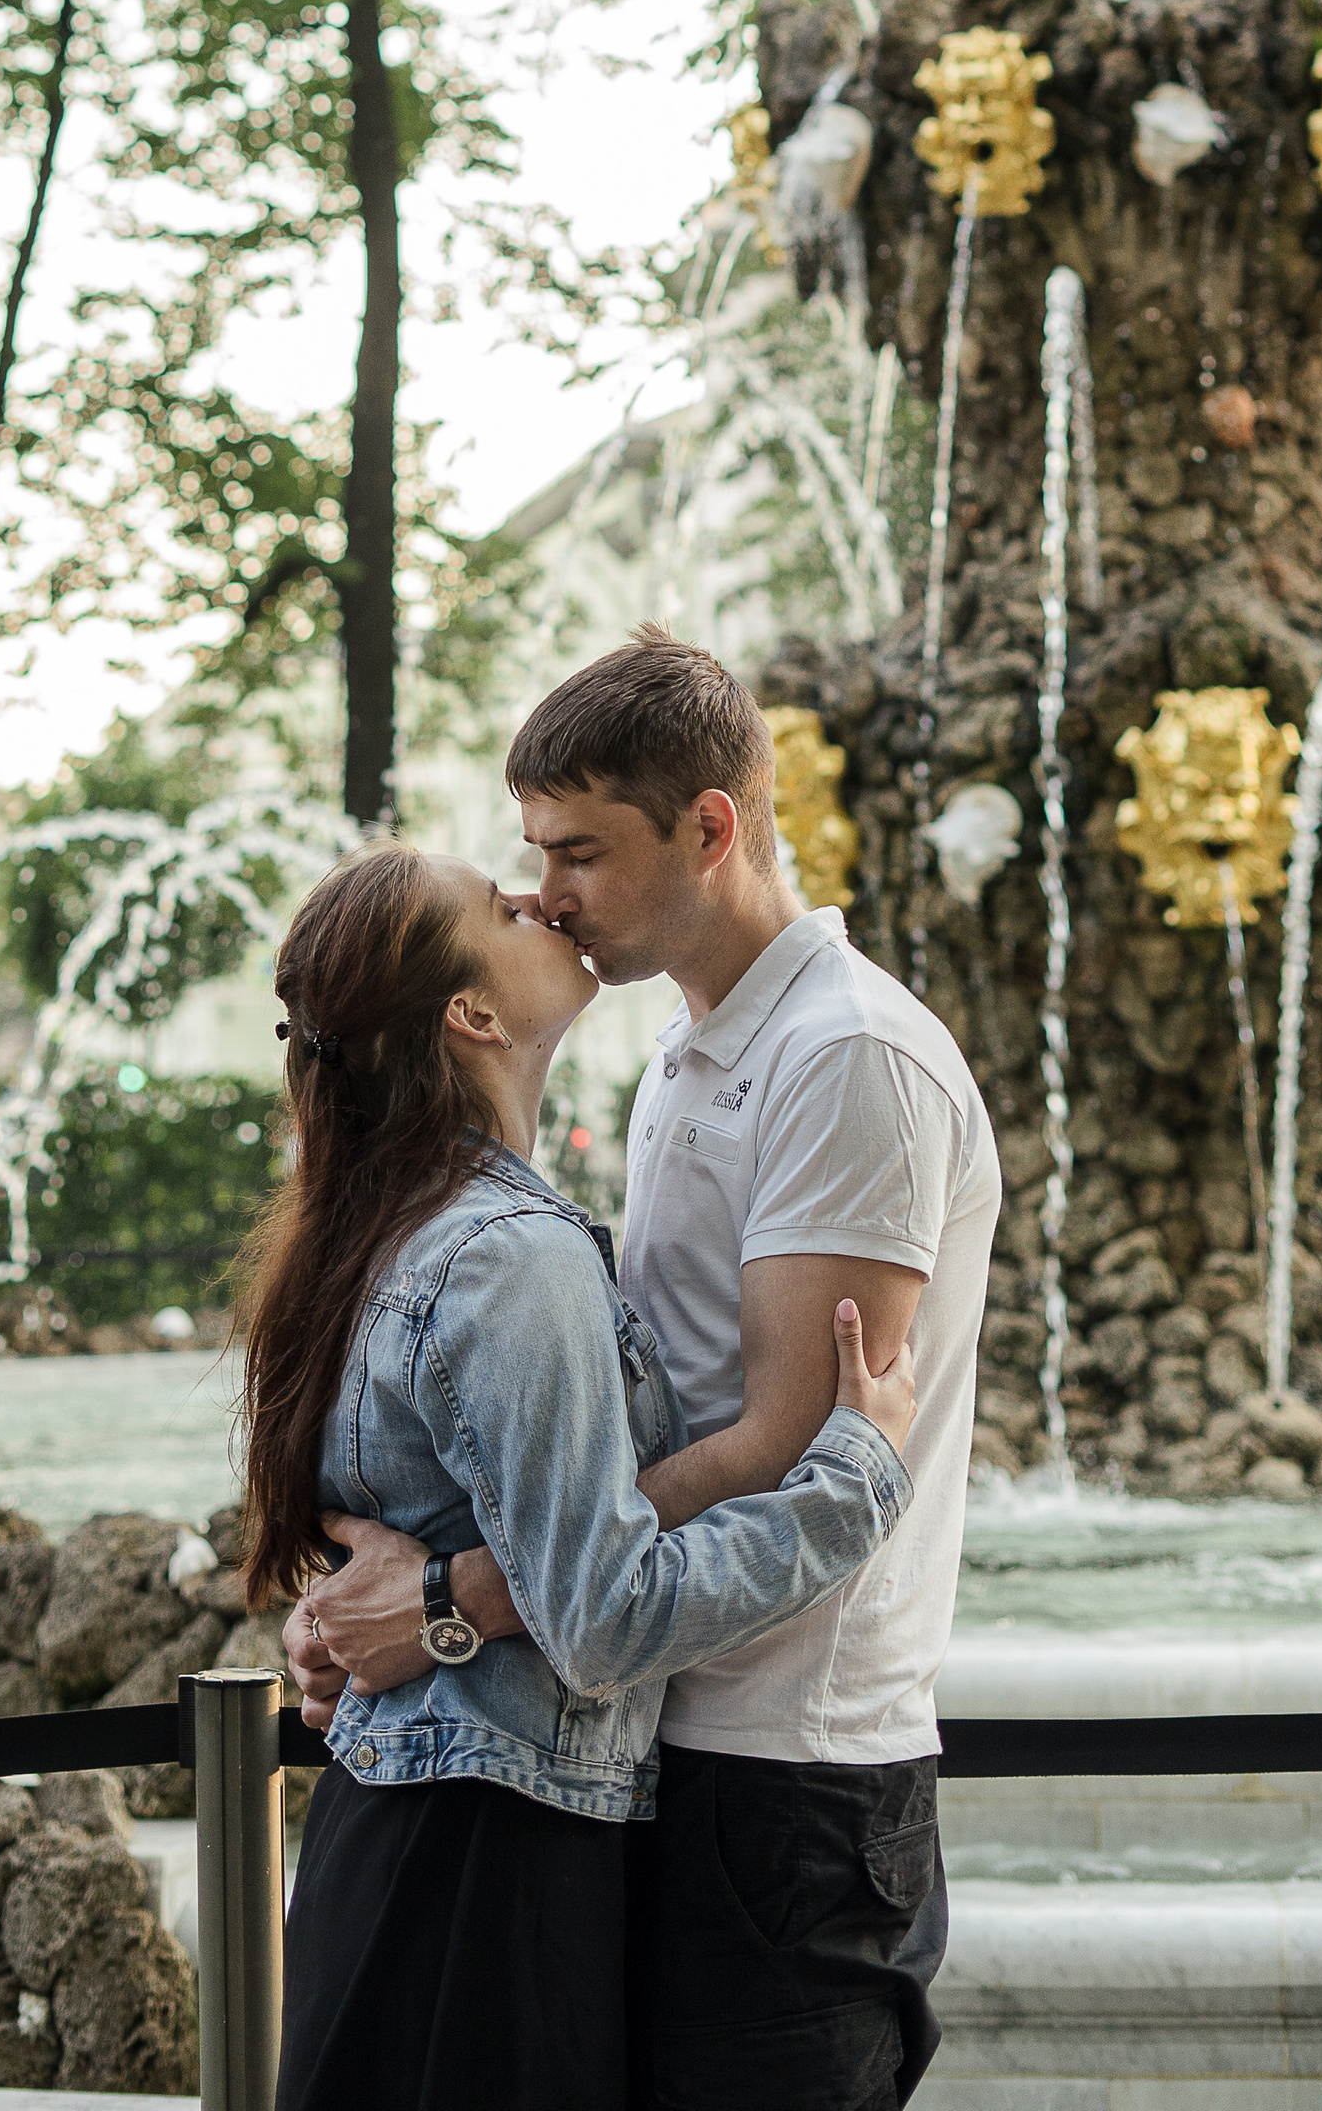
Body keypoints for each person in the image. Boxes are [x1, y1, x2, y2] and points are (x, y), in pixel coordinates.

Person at [291, 629, 1001, 2111]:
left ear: (712, 827)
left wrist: (443, 1605)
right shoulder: (690, 1054)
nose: (548, 891)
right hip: (654, 1737)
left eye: (583, 855)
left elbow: (792, 1435)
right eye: (534, 854)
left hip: (788, 1760)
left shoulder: (846, 1056)